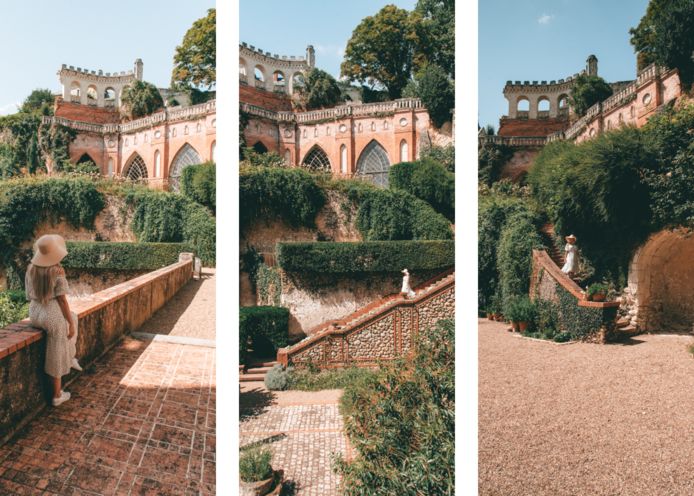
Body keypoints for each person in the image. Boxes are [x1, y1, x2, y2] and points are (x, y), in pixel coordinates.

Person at [25, 234, 81, 407]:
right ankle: (57, 395)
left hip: (35, 313)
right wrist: (69, 324)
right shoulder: (57, 271)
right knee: (59, 344)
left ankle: (71, 356)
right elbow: (62, 300)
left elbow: (28, 295)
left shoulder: (30, 268)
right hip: (52, 315)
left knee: (74, 317)